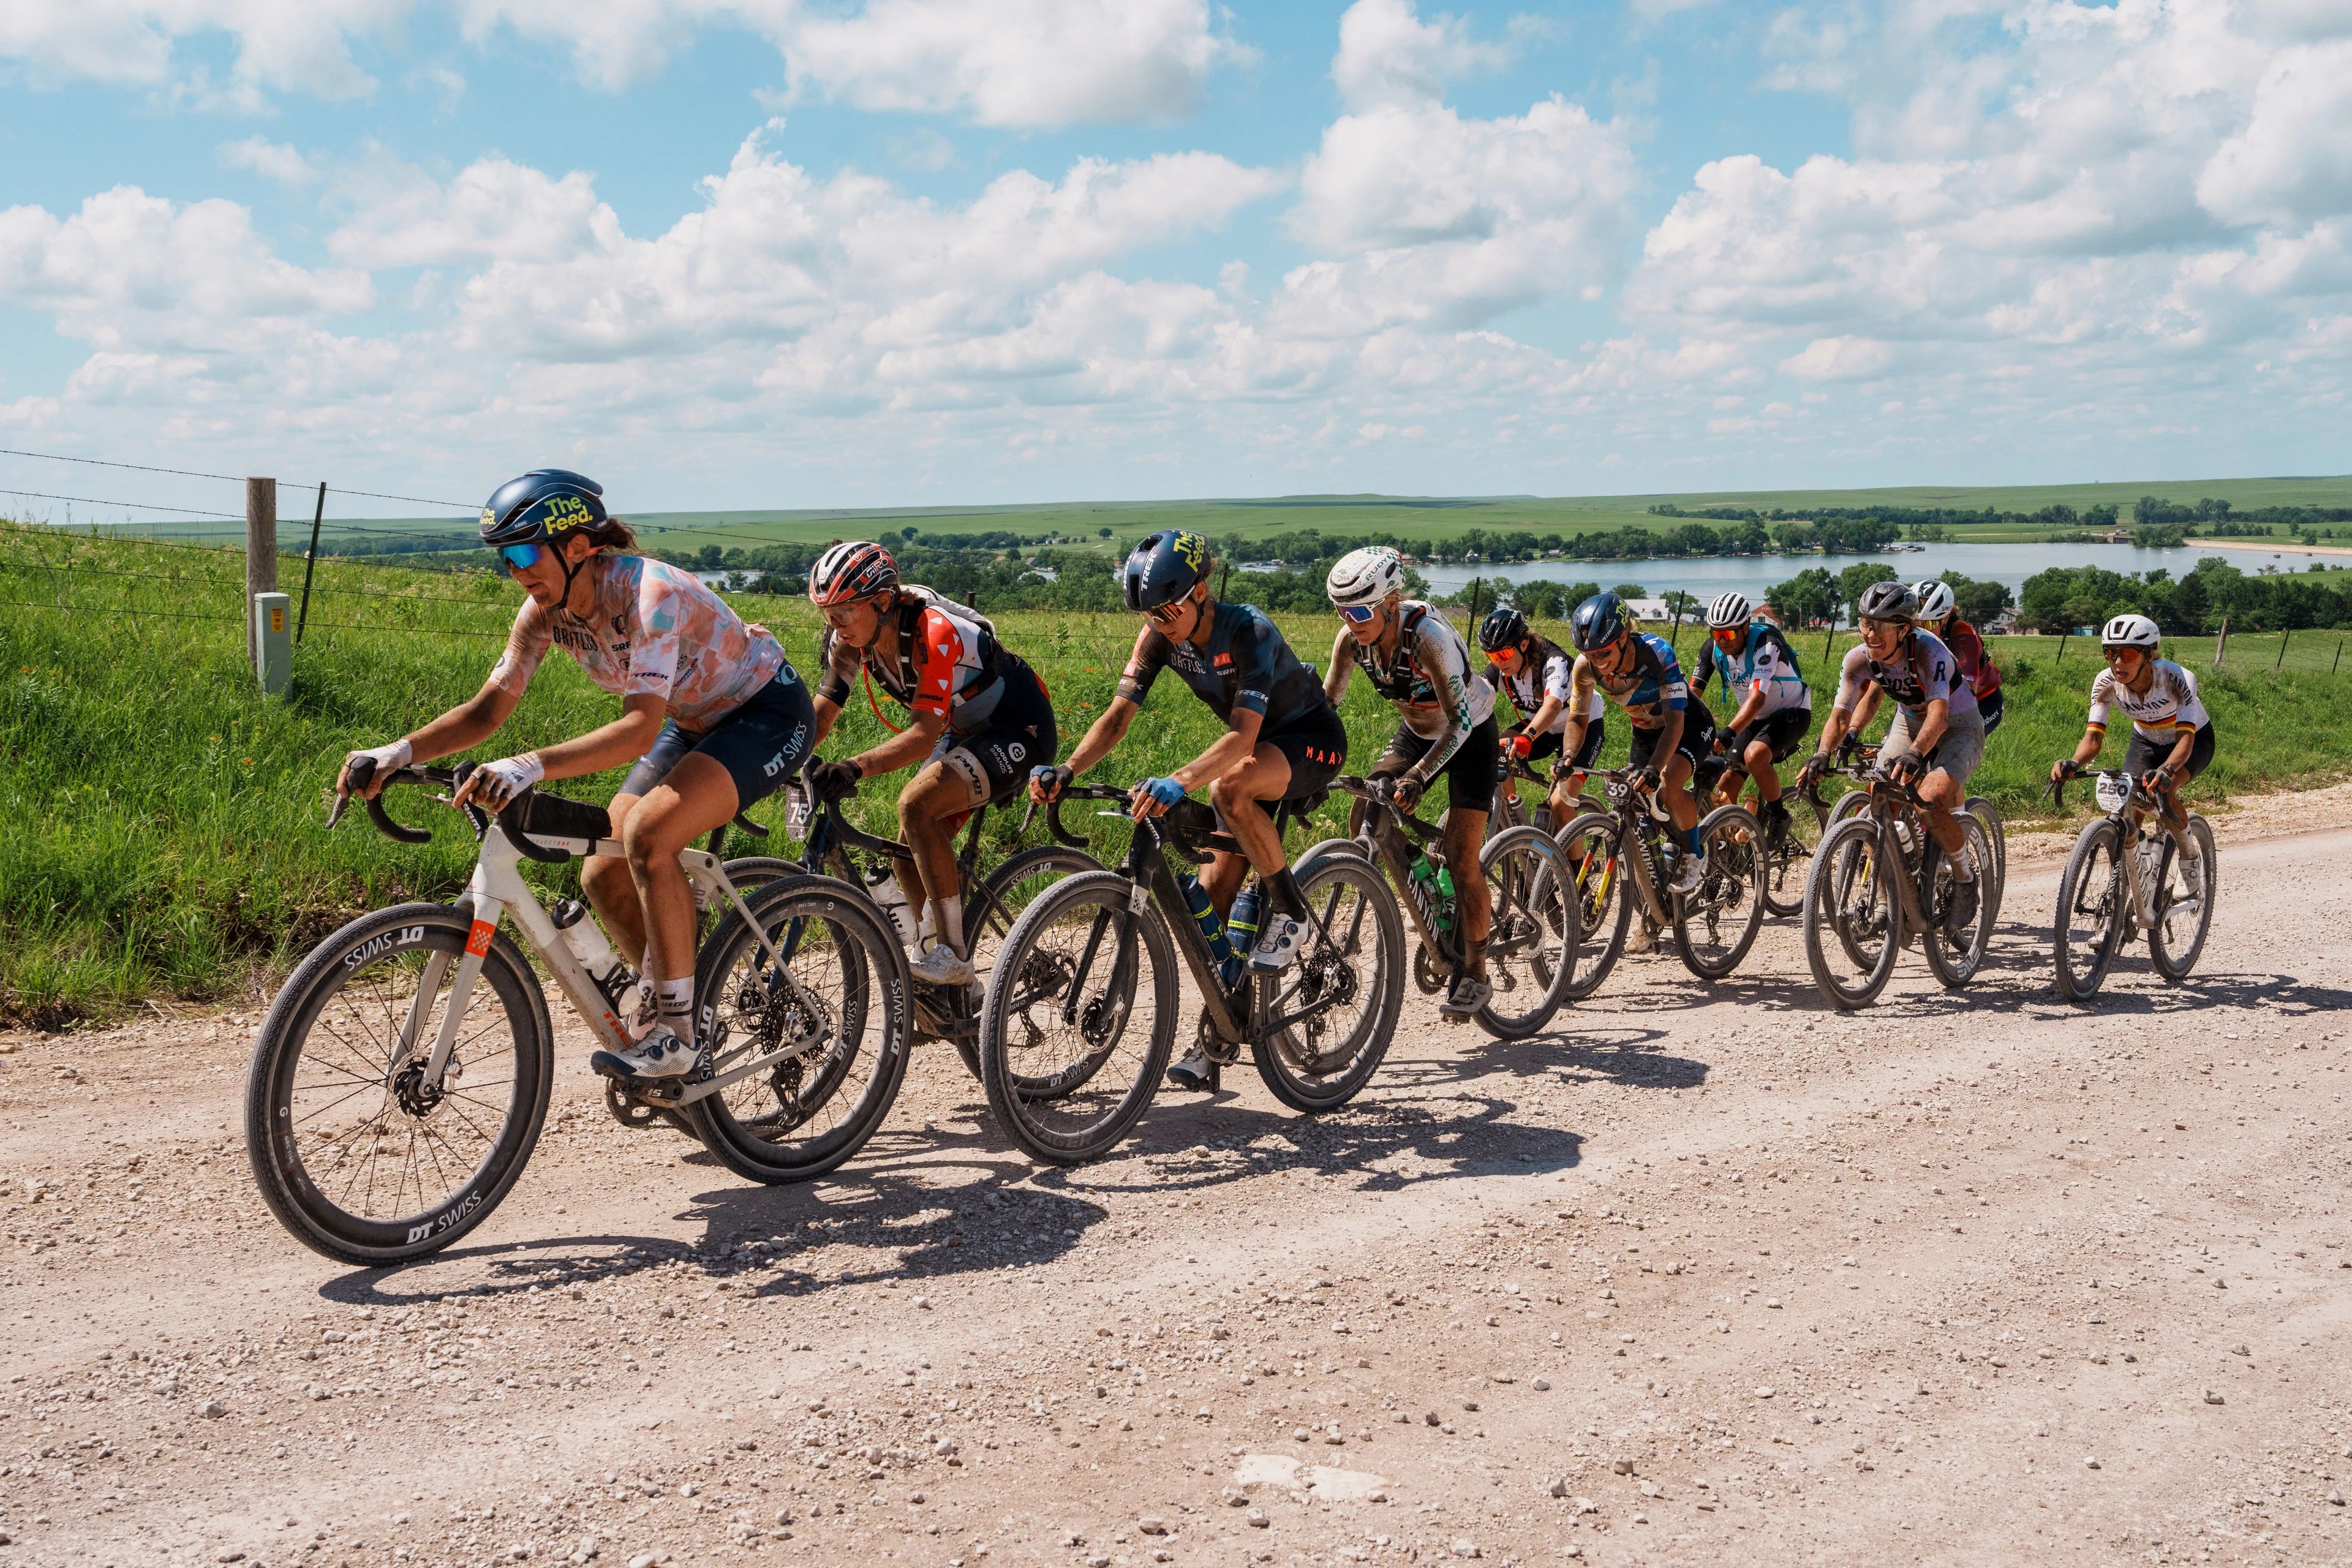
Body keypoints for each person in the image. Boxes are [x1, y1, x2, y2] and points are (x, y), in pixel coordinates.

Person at [339, 469, 814, 1082]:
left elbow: (638, 732)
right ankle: (684, 999)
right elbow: (487, 710)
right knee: (602, 869)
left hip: (766, 712)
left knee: (649, 834)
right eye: (504, 559)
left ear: (578, 547)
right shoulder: (543, 613)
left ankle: (677, 1033)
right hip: (694, 721)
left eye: (524, 552)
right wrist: (397, 751)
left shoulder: (651, 596)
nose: (516, 571)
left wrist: (529, 764)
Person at [1031, 530, 1348, 1090]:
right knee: (1215, 897)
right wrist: (1068, 770)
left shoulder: (1248, 630)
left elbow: (1244, 739)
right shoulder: (1159, 637)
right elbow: (1117, 717)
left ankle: (1293, 912)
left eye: (1167, 607)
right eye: (1148, 612)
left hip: (1307, 740)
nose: (1158, 620)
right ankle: (1216, 1037)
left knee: (1227, 790)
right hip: (1251, 756)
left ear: (1201, 590)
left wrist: (1179, 780)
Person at [802, 541, 1057, 988]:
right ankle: (941, 971)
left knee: (915, 805)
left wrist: (852, 767)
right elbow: (821, 715)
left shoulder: (932, 632)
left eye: (844, 611)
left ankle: (954, 956)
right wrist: (785, 760)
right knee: (906, 849)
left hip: (1020, 728)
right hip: (963, 728)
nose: (835, 624)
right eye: (827, 613)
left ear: (881, 601)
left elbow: (921, 738)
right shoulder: (847, 643)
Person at [1324, 547, 1499, 1017]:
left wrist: (1421, 776)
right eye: (1342, 610)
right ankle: (1420, 868)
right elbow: (1328, 708)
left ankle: (1477, 970)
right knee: (1367, 808)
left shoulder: (1429, 640)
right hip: (1418, 730)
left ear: (1391, 601)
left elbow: (1460, 725)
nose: (1352, 620)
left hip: (1469, 733)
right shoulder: (1351, 641)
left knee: (1464, 859)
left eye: (1361, 611)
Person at [1800, 579, 1984, 931]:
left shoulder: (1931, 652)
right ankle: (1886, 899)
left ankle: (1964, 878)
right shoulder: (1858, 659)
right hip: (1909, 720)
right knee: (1879, 797)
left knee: (1929, 799)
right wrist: (1824, 752)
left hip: (1959, 726)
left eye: (1881, 627)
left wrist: (1916, 754)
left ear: (1904, 630)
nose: (1871, 634)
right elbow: (1841, 714)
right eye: (1865, 623)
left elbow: (1939, 716)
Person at [1561, 590, 1717, 902]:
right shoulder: (1584, 667)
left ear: (1623, 638)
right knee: (1633, 799)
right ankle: (1655, 894)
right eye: (1590, 655)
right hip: (1645, 734)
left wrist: (1655, 769)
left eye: (1604, 653)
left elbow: (1675, 722)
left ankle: (1695, 853)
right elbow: (1578, 718)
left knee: (1669, 784)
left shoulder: (1656, 653)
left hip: (1688, 725)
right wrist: (1567, 756)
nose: (1598, 663)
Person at [2049, 613, 2215, 886]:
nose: (2117, 663)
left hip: (2192, 741)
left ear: (2149, 654)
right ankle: (2134, 874)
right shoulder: (2106, 683)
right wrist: (2074, 762)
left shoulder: (2177, 678)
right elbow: (2092, 738)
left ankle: (2189, 857)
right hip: (2146, 741)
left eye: (2126, 654)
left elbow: (2186, 740)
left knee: (2165, 789)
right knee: (2127, 802)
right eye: (2110, 654)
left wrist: (2166, 771)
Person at [1694, 591, 1811, 844]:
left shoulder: (1766, 643)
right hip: (1755, 718)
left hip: (1791, 712)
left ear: (1746, 627)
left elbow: (1757, 698)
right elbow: (1693, 694)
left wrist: (1729, 731)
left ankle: (1779, 815)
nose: (1722, 641)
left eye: (1729, 634)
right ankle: (1727, 847)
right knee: (1725, 785)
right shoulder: (1712, 649)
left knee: (1754, 756)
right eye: (1717, 634)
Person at [1477, 603, 1604, 831]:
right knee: (1492, 751)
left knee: (1560, 803)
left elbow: (1553, 706)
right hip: (1543, 729)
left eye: (1504, 654)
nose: (1499, 662)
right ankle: (1513, 818)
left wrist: (1527, 737)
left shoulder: (1554, 661)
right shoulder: (1501, 668)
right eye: (1491, 656)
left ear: (1523, 644)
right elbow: (1474, 697)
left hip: (1580, 726)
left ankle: (1573, 868)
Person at [1913, 579, 2005, 734]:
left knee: (1954, 738)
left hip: (1984, 702)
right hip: (1935, 701)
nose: (1921, 631)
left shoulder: (1963, 635)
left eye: (1928, 625)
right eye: (1916, 623)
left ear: (1946, 618)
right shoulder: (1913, 636)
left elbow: (1967, 694)